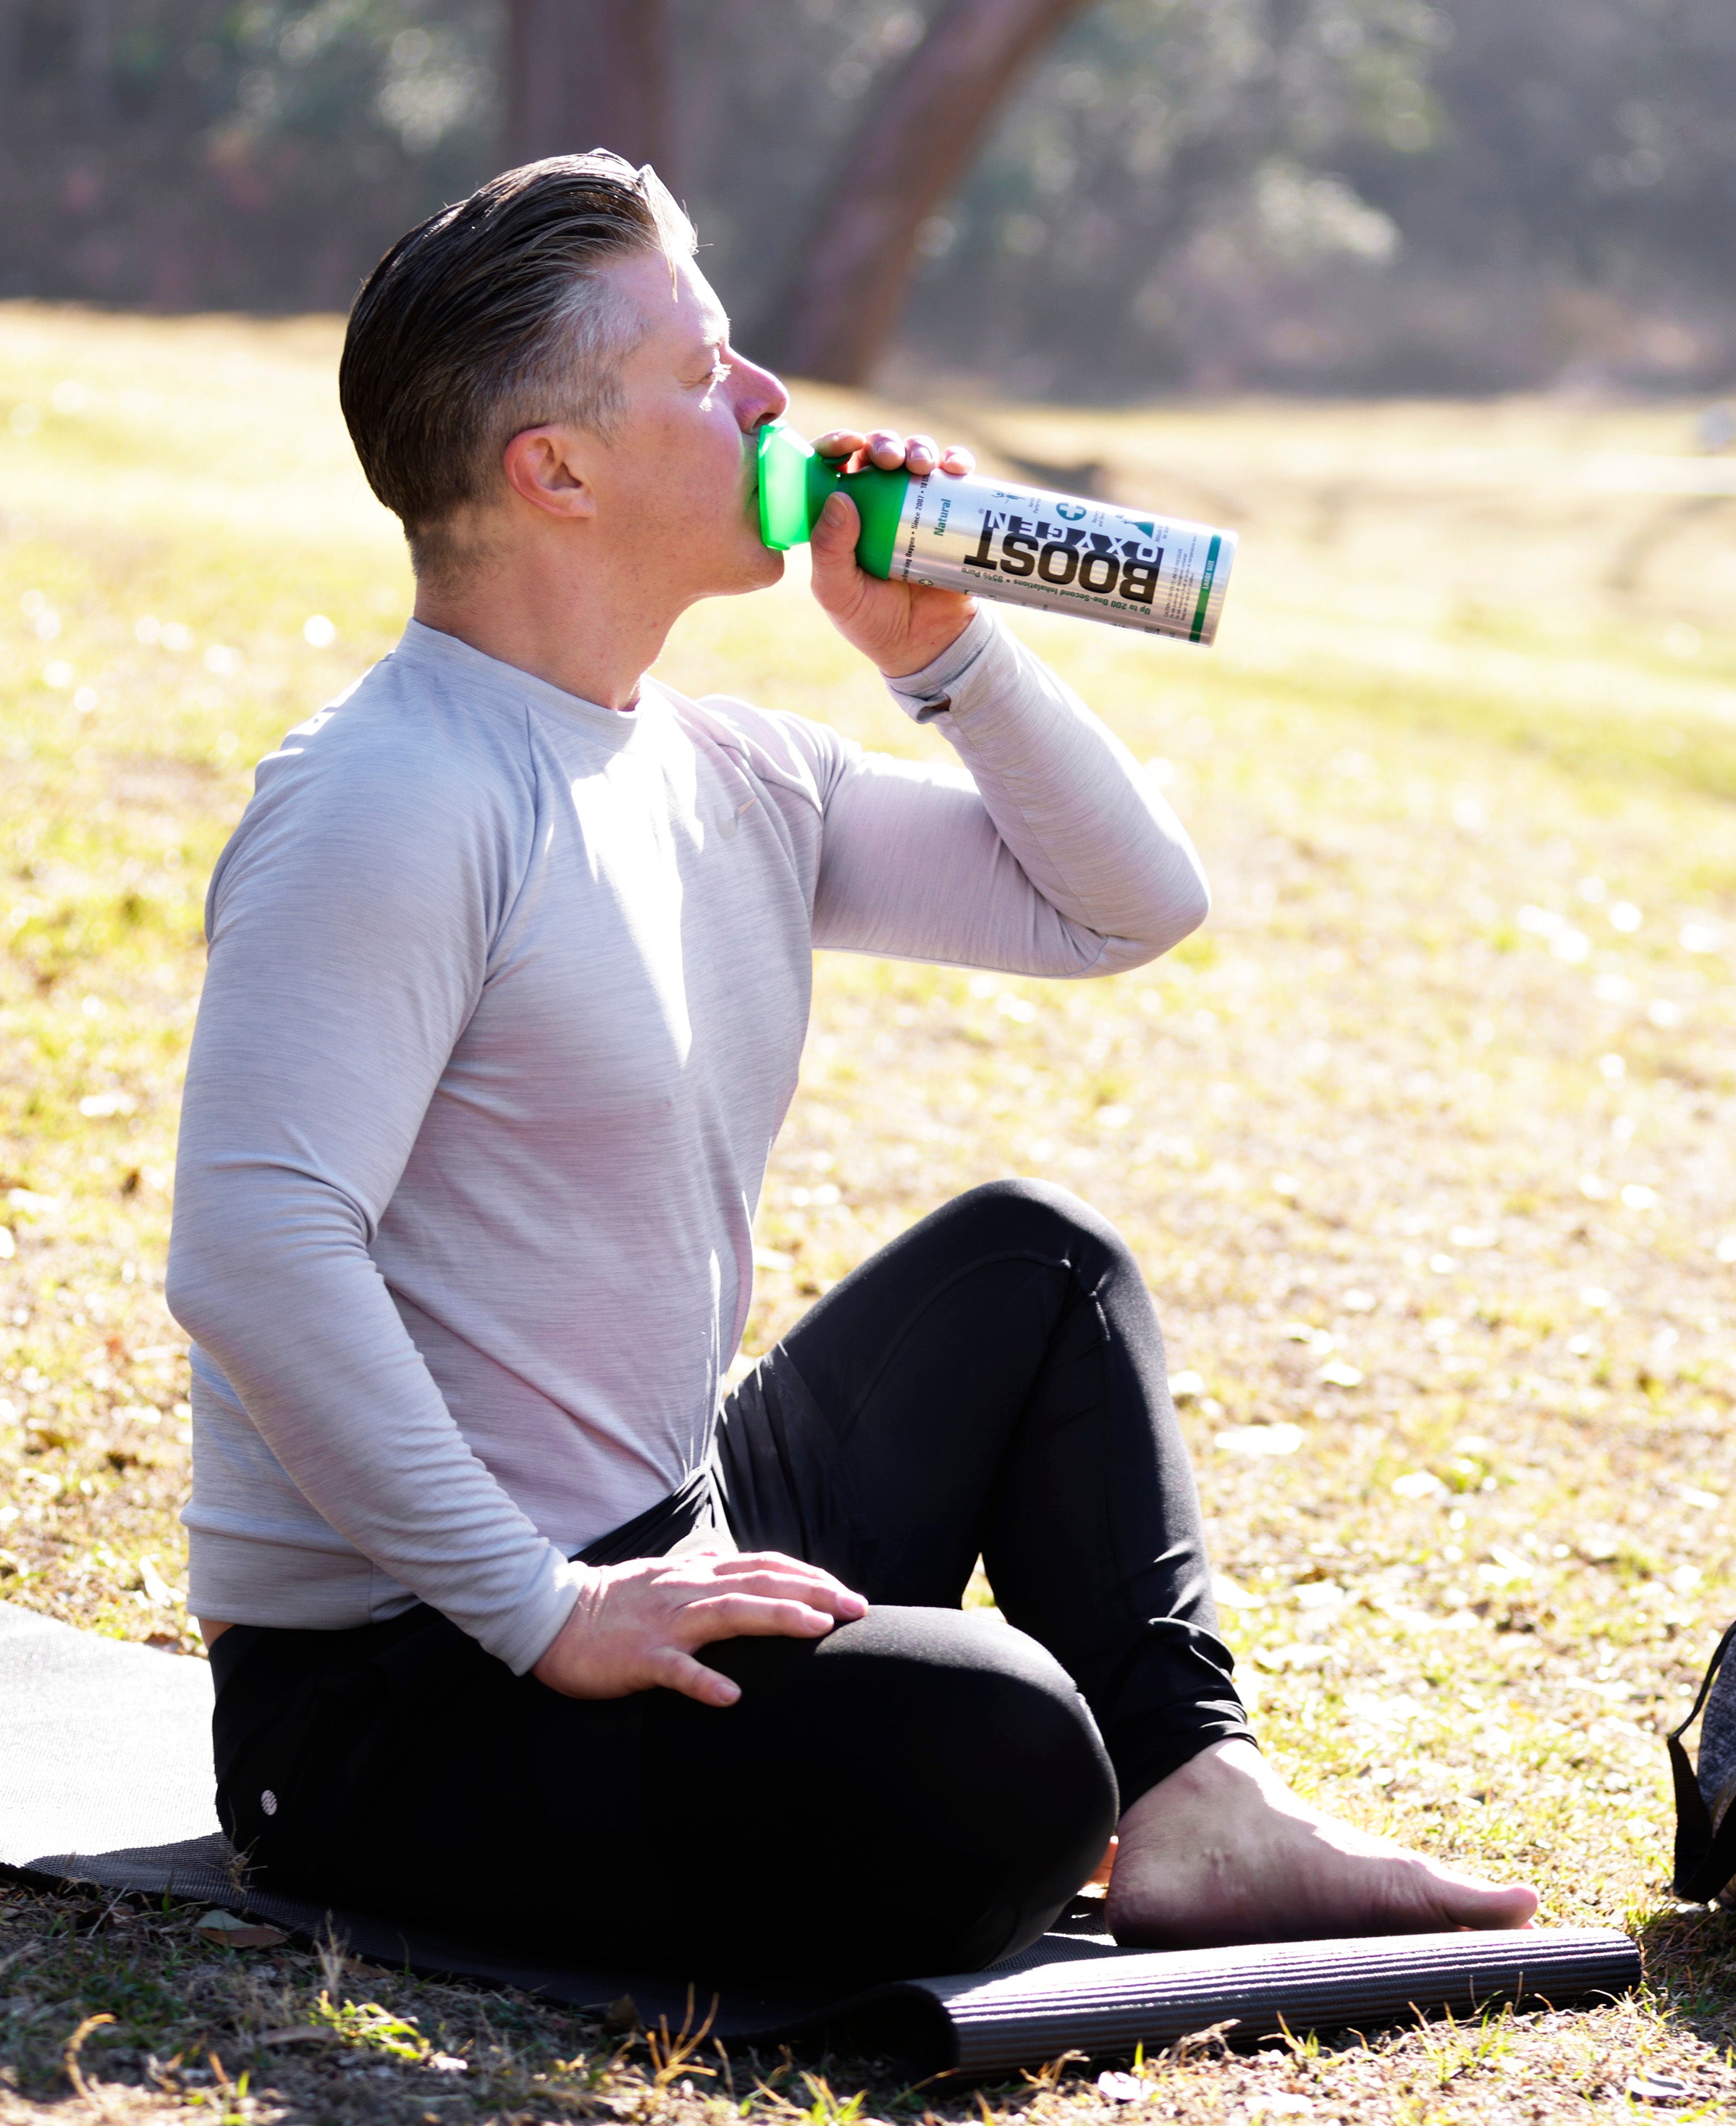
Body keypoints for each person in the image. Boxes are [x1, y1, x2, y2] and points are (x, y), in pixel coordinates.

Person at [167, 151, 1538, 1982]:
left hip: (669, 1535)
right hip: (400, 1689)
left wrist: (945, 649)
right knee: (1000, 1753)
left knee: (1035, 1271)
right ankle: (1062, 1774)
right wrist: (541, 1607)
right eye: (703, 368)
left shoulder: (726, 775)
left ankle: (1205, 1807)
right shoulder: (390, 796)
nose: (770, 403)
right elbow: (253, 1251)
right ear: (552, 471)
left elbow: (1125, 905)